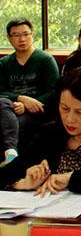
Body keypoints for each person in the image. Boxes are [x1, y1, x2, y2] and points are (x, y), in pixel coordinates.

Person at [0, 67, 81, 198]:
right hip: (49, 211)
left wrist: (70, 179)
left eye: (79, 112)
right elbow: (5, 174)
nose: (69, 119)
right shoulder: (50, 134)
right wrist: (21, 184)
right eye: (64, 108)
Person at [0, 19, 60, 166]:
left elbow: (54, 91)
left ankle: (13, 159)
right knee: (3, 103)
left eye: (26, 34)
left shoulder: (46, 60)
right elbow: (1, 91)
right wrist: (21, 99)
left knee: (16, 124)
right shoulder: (4, 63)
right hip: (10, 108)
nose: (22, 39)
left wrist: (27, 106)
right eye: (16, 35)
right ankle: (11, 154)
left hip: (39, 109)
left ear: (32, 35)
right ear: (9, 38)